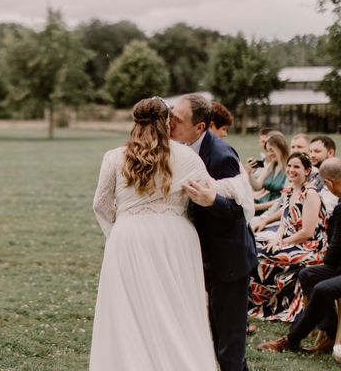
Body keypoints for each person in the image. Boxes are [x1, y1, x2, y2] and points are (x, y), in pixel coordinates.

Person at [89, 97, 253, 371]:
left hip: (128, 239)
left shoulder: (114, 157)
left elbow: (100, 204)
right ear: (166, 122)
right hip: (174, 238)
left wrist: (124, 226)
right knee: (176, 310)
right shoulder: (186, 157)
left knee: (130, 311)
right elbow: (209, 189)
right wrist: (239, 184)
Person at [170, 94, 257, 371]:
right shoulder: (179, 148)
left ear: (200, 127)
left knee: (229, 345)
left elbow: (239, 208)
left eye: (178, 120)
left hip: (228, 260)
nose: (170, 123)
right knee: (212, 336)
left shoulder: (221, 156)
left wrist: (212, 200)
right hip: (202, 257)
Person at [258, 157, 341, 356]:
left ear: (328, 183)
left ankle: (291, 339)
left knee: (321, 287)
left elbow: (332, 252)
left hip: (329, 257)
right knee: (307, 275)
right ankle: (331, 332)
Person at [248, 152, 327, 322]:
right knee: (252, 246)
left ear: (307, 171)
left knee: (264, 255)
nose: (291, 170)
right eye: (289, 166)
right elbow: (285, 220)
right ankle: (255, 301)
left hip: (311, 245)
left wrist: (282, 242)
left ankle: (275, 304)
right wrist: (277, 237)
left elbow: (308, 232)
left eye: (296, 167)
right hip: (292, 238)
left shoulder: (310, 194)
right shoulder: (290, 189)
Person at [246, 133, 289, 214]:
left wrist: (257, 207)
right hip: (262, 202)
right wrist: (249, 173)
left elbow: (283, 199)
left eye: (272, 150)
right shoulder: (271, 165)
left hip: (274, 207)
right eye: (268, 151)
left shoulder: (289, 168)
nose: (269, 154)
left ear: (281, 148)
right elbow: (257, 187)